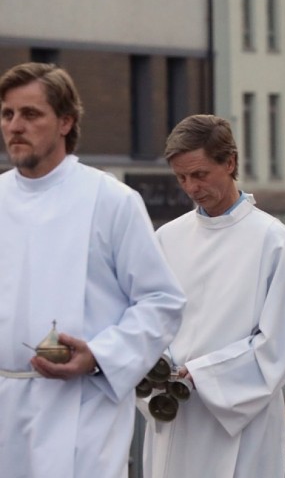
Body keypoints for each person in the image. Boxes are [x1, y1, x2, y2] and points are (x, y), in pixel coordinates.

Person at [0, 62, 186, 477]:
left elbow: (162, 301)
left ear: (66, 121)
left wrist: (101, 356)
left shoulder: (109, 200)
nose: (15, 126)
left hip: (81, 409)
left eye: (30, 114)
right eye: (7, 114)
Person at [140, 114, 285, 477]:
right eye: (182, 178)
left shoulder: (273, 241)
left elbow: (281, 343)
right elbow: (146, 318)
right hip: (176, 416)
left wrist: (202, 373)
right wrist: (156, 363)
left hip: (240, 421)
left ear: (229, 162)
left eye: (199, 174)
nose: (191, 187)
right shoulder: (167, 239)